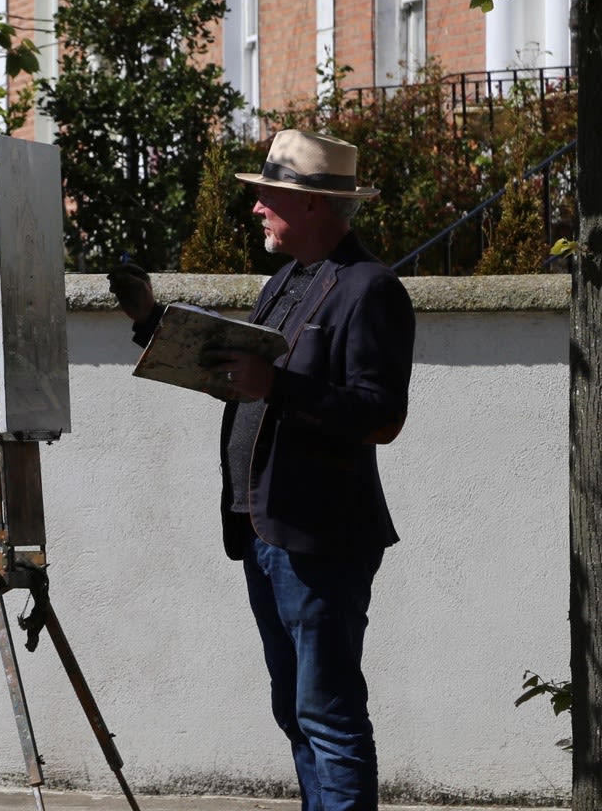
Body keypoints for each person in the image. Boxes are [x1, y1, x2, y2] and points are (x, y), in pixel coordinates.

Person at [108, 129, 414, 811]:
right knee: (296, 712)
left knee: (328, 715)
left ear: (312, 204)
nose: (256, 208)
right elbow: (233, 370)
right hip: (263, 529)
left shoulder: (370, 289)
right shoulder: (287, 281)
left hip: (318, 536)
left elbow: (381, 415)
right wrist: (150, 319)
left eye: (268, 196)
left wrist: (275, 385)